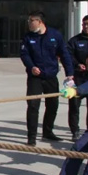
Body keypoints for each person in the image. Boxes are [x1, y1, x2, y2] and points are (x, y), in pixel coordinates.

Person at [19, 11, 74, 145]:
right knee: (33, 105)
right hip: (35, 77)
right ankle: (31, 137)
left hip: (50, 76)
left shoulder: (55, 35)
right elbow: (24, 54)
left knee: (53, 105)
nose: (28, 23)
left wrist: (69, 72)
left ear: (39, 22)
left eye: (31, 21)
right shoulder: (28, 37)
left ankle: (48, 132)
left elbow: (64, 54)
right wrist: (31, 67)